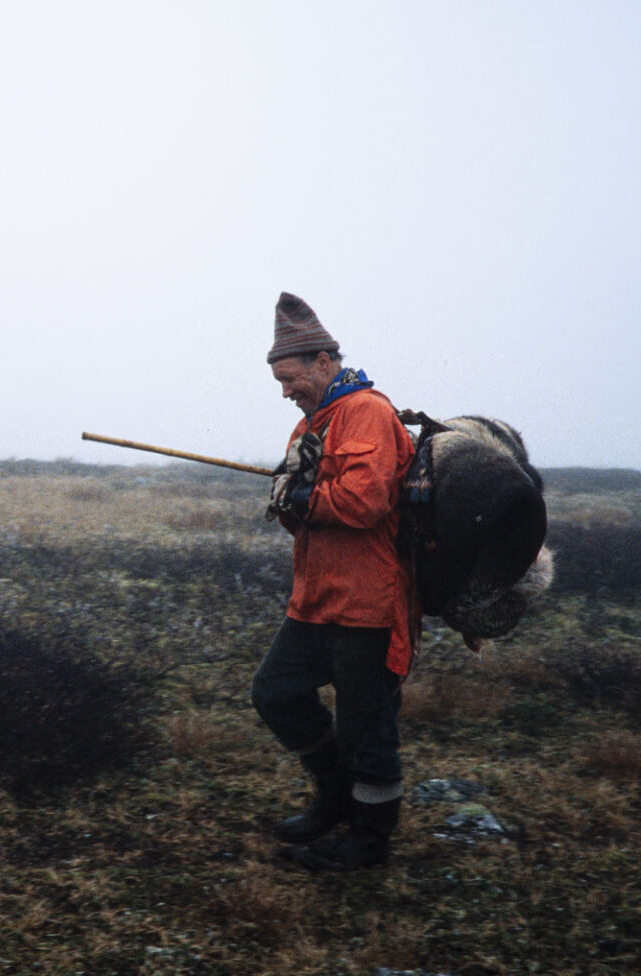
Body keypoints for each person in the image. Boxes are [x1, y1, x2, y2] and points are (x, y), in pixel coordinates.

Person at [251, 292, 417, 872]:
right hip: (315, 601)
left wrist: (304, 495)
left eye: (290, 377)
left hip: (367, 606)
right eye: (278, 380)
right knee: (274, 693)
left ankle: (368, 845)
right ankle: (337, 795)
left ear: (324, 362)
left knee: (366, 728)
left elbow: (366, 502)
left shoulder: (368, 411)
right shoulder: (307, 426)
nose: (285, 390)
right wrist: (287, 502)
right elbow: (307, 514)